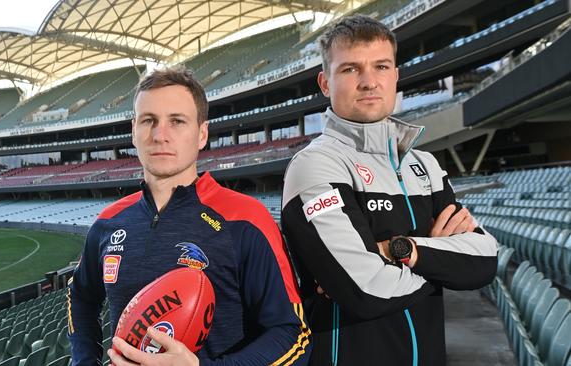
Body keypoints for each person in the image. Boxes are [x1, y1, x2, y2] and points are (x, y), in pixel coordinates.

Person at [281, 14, 498, 366]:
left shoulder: (425, 165)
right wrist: (442, 261)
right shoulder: (316, 165)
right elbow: (363, 290)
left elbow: (486, 260)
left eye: (381, 66)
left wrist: (401, 249)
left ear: (395, 75)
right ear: (324, 82)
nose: (369, 82)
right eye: (350, 69)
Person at [67, 67, 311, 366]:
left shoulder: (245, 219)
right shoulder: (109, 222)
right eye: (148, 121)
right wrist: (85, 361)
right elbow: (80, 297)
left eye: (177, 121)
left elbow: (293, 336)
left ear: (202, 134)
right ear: (133, 131)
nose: (160, 135)